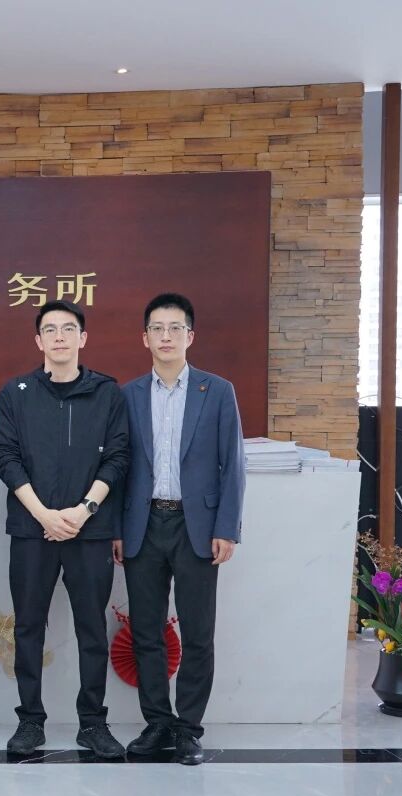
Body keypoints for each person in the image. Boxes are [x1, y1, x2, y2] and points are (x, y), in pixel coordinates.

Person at [0, 300, 130, 759]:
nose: (59, 337)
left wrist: (83, 511)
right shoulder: (16, 393)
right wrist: (44, 515)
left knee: (92, 628)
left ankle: (93, 723)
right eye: (50, 330)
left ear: (82, 338)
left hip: (90, 530)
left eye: (68, 329)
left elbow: (118, 458)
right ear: (38, 341)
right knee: (29, 626)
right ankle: (30, 721)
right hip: (32, 530)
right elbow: (5, 457)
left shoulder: (108, 393)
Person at [114, 292, 244, 766]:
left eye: (175, 328)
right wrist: (117, 528)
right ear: (144, 337)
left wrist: (227, 527)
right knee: (146, 631)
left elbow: (233, 464)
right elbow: (118, 467)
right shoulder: (127, 395)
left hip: (198, 527)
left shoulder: (218, 391)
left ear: (190, 335)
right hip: (143, 524)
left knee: (198, 633)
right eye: (157, 328)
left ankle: (189, 728)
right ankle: (157, 723)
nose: (165, 336)